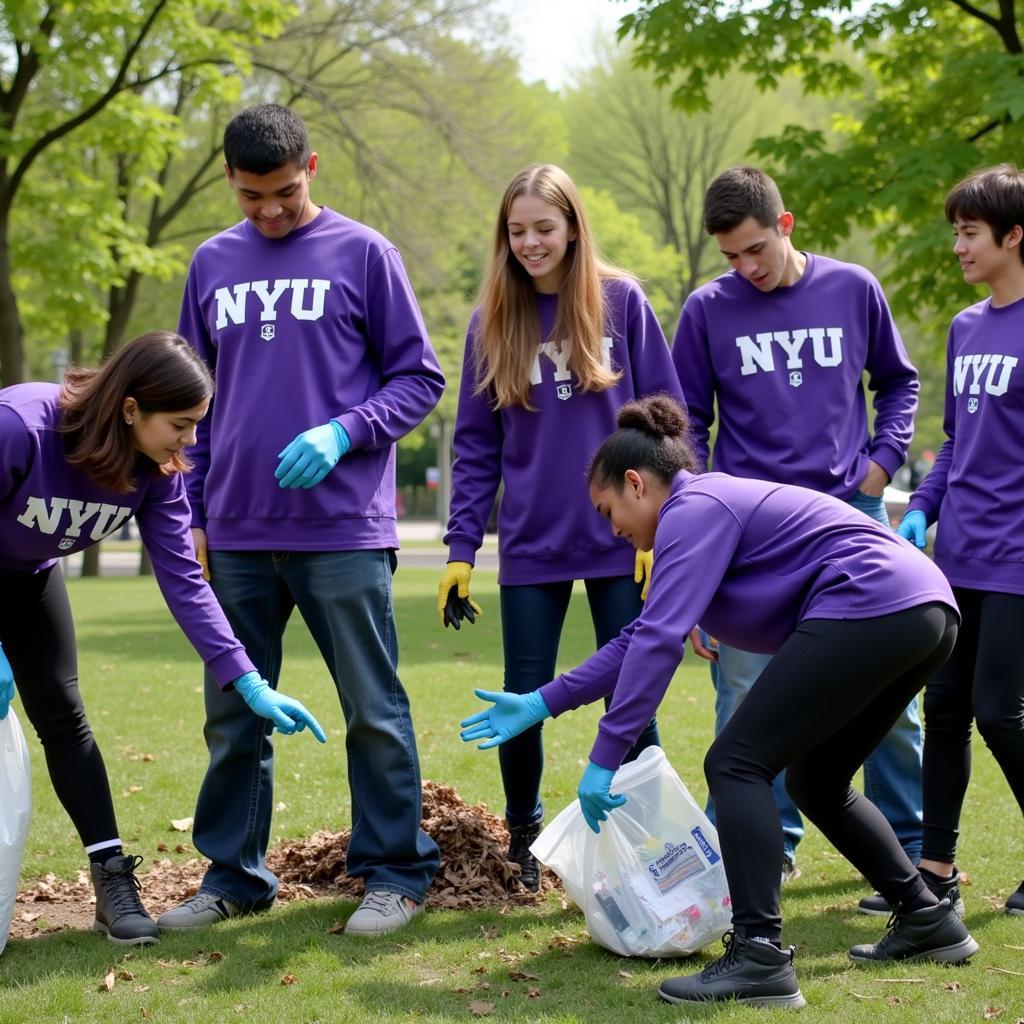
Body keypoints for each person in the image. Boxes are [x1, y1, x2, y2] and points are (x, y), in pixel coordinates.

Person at [461, 395, 979, 1009]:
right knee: (816, 778)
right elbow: (641, 635)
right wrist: (542, 702)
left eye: (609, 512)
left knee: (736, 762)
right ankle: (926, 917)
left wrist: (605, 757)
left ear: (636, 483)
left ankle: (760, 954)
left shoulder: (693, 509)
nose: (613, 531)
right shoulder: (699, 515)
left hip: (876, 602)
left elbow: (655, 642)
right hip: (923, 612)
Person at [157, 104, 444, 937]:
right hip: (238, 530)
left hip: (344, 529)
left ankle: (394, 870)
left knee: (372, 705)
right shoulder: (211, 262)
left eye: (284, 191)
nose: (271, 210)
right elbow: (188, 405)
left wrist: (344, 430)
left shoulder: (364, 253)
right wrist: (196, 511)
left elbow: (419, 379)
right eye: (253, 196)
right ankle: (234, 875)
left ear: (311, 167)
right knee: (234, 708)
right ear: (229, 180)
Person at [0, 331, 324, 946]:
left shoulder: (157, 471)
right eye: (180, 423)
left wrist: (248, 680)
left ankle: (111, 878)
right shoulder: (19, 427)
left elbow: (186, 583)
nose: (191, 441)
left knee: (65, 719)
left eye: (198, 424)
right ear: (130, 409)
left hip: (28, 577)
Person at [673, 166, 924, 901]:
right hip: (752, 539)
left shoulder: (853, 288)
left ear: (785, 226)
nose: (746, 268)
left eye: (756, 249)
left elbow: (899, 382)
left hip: (852, 523)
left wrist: (880, 467)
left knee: (893, 705)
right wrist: (695, 560)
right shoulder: (706, 310)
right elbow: (687, 429)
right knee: (748, 699)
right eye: (730, 258)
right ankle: (754, 861)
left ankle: (907, 858)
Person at [439, 164, 686, 890]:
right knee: (524, 696)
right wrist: (460, 550)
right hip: (533, 541)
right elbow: (475, 446)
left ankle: (651, 845)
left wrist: (668, 527)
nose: (531, 243)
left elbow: (667, 420)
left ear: (573, 226)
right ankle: (524, 838)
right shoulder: (492, 322)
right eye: (517, 232)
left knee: (631, 691)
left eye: (544, 228)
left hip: (624, 540)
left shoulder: (621, 303)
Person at [898, 164, 1024, 917]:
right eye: (955, 232)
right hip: (960, 551)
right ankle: (934, 867)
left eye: (970, 233)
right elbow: (955, 440)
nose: (958, 246)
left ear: (1014, 236)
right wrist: (922, 506)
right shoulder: (966, 326)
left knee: (998, 710)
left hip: (1017, 555)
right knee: (942, 707)